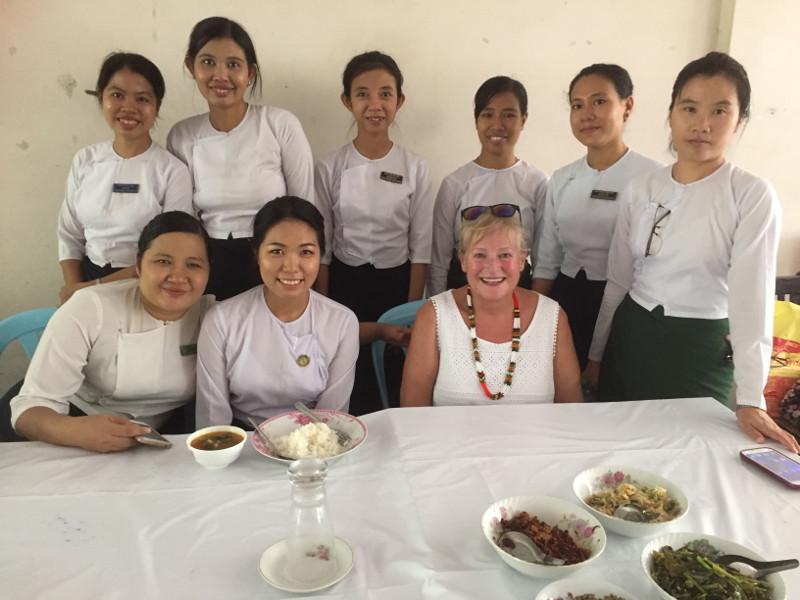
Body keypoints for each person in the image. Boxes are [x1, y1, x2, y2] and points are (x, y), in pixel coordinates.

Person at [586, 52, 799, 452]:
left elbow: (753, 302)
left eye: (720, 110)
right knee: (615, 454)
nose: (702, 124)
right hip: (632, 337)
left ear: (740, 120)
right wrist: (596, 356)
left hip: (700, 348)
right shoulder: (642, 189)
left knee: (692, 458)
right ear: (671, 114)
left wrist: (752, 397)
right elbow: (617, 281)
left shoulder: (750, 195)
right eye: (690, 108)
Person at [12, 212, 213, 452]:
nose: (178, 276)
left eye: (193, 264)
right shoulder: (90, 306)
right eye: (163, 261)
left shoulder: (213, 317)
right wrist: (76, 430)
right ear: (138, 265)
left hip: (158, 439)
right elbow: (29, 410)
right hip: (76, 423)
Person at [314, 51, 434, 413]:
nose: (375, 104)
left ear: (400, 100)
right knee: (346, 374)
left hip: (397, 283)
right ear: (347, 101)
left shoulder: (416, 167)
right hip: (343, 284)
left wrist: (410, 308)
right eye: (363, 93)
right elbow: (322, 245)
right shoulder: (330, 166)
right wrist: (322, 304)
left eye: (385, 93)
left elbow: (421, 246)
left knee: (395, 374)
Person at [168, 16, 315, 300]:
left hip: (274, 264)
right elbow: (184, 221)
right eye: (208, 62)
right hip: (209, 263)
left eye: (233, 64)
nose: (220, 75)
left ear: (250, 72)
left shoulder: (279, 124)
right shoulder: (182, 135)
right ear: (191, 66)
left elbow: (305, 210)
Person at [532, 64, 661, 370]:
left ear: (627, 106)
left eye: (599, 101)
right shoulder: (563, 179)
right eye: (577, 105)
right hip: (566, 299)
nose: (586, 114)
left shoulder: (653, 178)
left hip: (627, 304)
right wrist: (531, 321)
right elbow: (548, 257)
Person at [196, 196, 359, 428]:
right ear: (257, 254)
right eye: (276, 251)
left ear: (320, 255)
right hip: (241, 442)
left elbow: (332, 418)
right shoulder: (222, 320)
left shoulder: (342, 322)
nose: (291, 267)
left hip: (313, 443)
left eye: (306, 252)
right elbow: (212, 418)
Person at [400, 209, 583, 406]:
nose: (493, 267)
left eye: (505, 254)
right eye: (479, 255)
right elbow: (413, 410)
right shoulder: (433, 315)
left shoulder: (552, 316)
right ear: (463, 260)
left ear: (522, 260)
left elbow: (571, 409)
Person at [58, 53, 192, 304]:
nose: (129, 108)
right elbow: (69, 234)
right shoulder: (85, 160)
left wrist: (91, 289)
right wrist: (74, 290)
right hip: (86, 277)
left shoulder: (172, 171)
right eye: (117, 95)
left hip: (147, 285)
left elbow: (170, 250)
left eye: (142, 99)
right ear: (101, 98)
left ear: (157, 107)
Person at [429, 76, 548, 295]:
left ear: (523, 120)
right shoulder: (455, 184)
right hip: (462, 289)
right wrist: (437, 310)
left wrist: (538, 305)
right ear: (476, 121)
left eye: (509, 115)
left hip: (517, 289)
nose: (497, 124)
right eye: (487, 114)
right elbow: (439, 259)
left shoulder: (537, 182)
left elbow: (544, 259)